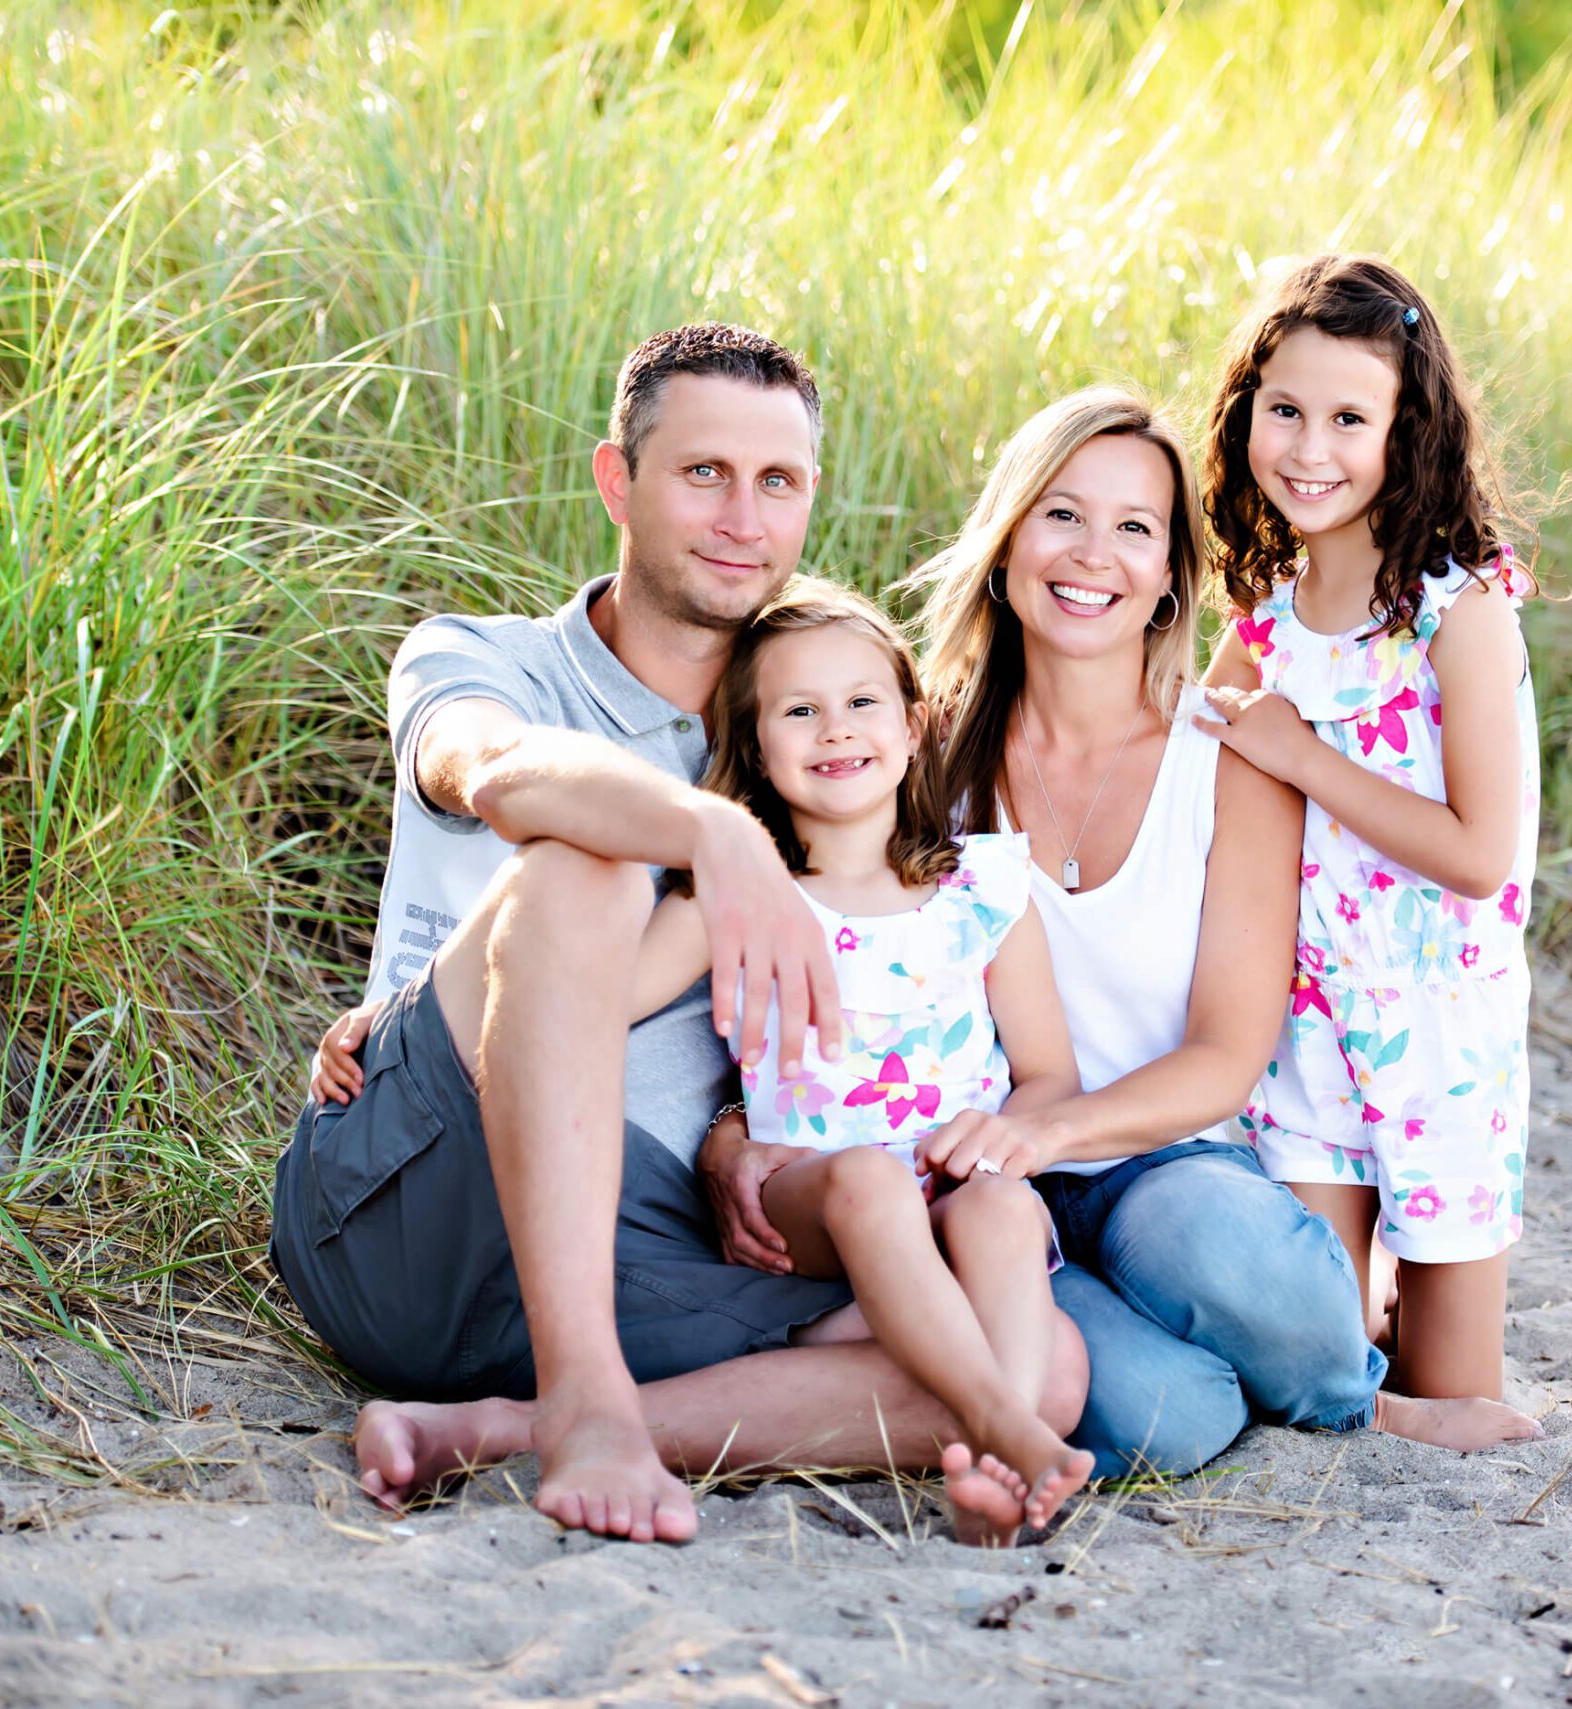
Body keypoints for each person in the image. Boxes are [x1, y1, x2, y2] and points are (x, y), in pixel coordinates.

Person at [274, 323, 1088, 1543]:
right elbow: (495, 771)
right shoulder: (484, 660)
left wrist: (724, 1133)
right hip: (416, 1190)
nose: (741, 518)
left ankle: (497, 1426)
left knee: (1041, 1370)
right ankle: (593, 1409)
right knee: (586, 873)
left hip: (650, 1243)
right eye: (702, 472)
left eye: (779, 483)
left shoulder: (810, 731)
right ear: (619, 480)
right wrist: (712, 836)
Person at [706, 385, 1541, 1472]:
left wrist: (1050, 1131)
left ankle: (1356, 1395)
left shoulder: (1227, 753)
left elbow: (1227, 1055)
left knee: (1226, 1251)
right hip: (989, 1196)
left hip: (1170, 1168)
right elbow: (828, 933)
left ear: (1165, 581)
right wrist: (732, 1127)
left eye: (1134, 528)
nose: (1092, 553)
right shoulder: (916, 752)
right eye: (1060, 513)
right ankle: (1225, 1368)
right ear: (1008, 540)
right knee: (1169, 1419)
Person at [626, 577, 1094, 1543]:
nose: (835, 730)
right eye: (800, 710)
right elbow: (599, 998)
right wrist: (407, 1016)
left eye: (861, 702)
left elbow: (1049, 1073)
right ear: (754, 743)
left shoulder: (982, 889)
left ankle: (987, 1481)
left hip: (949, 1194)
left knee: (1008, 1202)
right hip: (811, 1199)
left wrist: (1002, 1131)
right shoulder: (739, 887)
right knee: (874, 1182)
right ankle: (1008, 1427)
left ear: (915, 725)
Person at [1196, 254, 1539, 1402]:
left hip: (1442, 1027)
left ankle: (1413, 1304)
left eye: (1350, 417)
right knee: (1323, 1366)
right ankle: (1368, 1302)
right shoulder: (1263, 618)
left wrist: (1304, 756)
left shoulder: (1458, 607)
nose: (1309, 448)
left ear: (1408, 431)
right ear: (1246, 411)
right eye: (1284, 410)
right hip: (1302, 1025)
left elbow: (1479, 851)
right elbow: (1194, 761)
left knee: (1452, 1394)